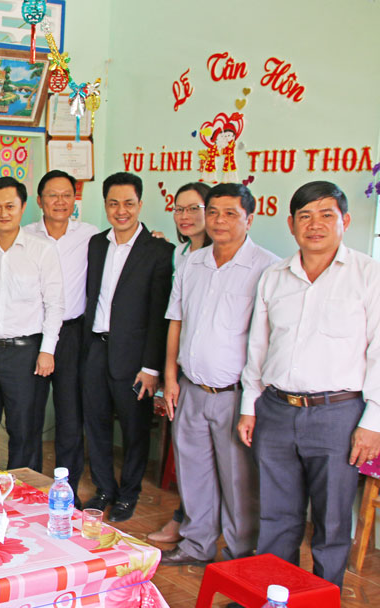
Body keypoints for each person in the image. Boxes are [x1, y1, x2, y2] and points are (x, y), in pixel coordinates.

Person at [239, 181, 380, 587]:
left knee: (332, 521)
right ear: (291, 224)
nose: (314, 225)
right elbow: (258, 348)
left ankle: (322, 597)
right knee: (276, 516)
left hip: (339, 414)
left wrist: (373, 420)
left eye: (326, 215)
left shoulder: (368, 276)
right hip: (277, 410)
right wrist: (250, 406)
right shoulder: (274, 277)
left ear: (345, 221)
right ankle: (273, 594)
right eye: (305, 216)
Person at [157, 183, 278, 565]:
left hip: (234, 395)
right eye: (213, 213)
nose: (219, 221)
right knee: (193, 476)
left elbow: (267, 338)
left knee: (239, 481)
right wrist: (170, 378)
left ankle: (240, 554)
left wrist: (252, 403)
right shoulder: (193, 262)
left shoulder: (267, 268)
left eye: (230, 214)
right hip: (191, 388)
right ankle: (196, 545)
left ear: (250, 219)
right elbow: (175, 321)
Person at [81, 171, 174, 523]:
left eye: (129, 203)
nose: (122, 211)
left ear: (140, 204)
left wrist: (151, 367)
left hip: (134, 359)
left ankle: (128, 493)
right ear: (105, 205)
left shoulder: (159, 251)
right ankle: (104, 488)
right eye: (114, 203)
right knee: (97, 423)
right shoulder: (96, 243)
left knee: (134, 431)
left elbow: (159, 315)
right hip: (96, 349)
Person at [0, 177, 63, 468]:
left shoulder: (42, 250)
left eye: (10, 206)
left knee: (24, 429)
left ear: (23, 207)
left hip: (26, 352)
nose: (3, 213)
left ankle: (23, 493)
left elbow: (54, 304)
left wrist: (47, 350)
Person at [24, 170, 99, 496]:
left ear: (74, 201)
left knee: (70, 415)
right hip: (32, 336)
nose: (60, 201)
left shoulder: (92, 236)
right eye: (52, 195)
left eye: (66, 195)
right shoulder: (24, 235)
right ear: (40, 201)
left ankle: (65, 490)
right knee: (30, 413)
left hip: (72, 336)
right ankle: (30, 485)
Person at [148, 181, 211, 543]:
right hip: (181, 369)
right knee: (189, 458)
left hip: (215, 376)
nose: (185, 217)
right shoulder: (178, 254)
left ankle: (197, 527)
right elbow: (170, 318)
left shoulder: (224, 257)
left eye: (194, 209)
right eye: (179, 209)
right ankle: (186, 521)